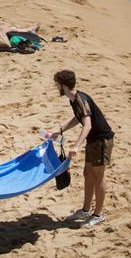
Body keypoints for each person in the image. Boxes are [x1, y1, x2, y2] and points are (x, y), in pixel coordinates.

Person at [45, 69, 114, 228]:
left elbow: (88, 124)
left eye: (57, 84)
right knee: (87, 174)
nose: (56, 87)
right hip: (93, 140)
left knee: (98, 177)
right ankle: (85, 210)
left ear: (63, 86)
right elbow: (79, 118)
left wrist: (76, 146)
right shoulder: (73, 98)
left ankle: (98, 215)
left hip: (101, 140)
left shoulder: (80, 99)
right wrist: (60, 130)